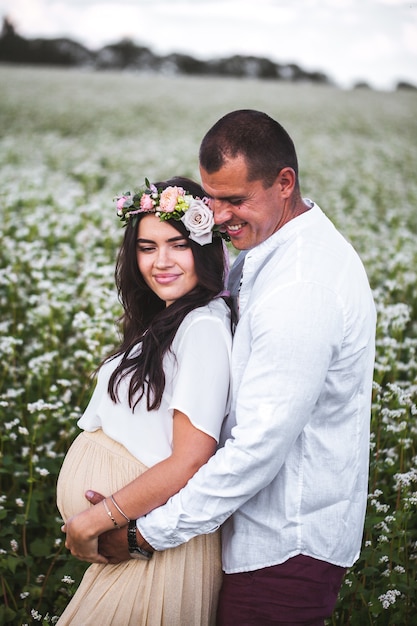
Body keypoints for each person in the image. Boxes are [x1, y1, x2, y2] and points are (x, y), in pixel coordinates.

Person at [85, 110, 377, 625]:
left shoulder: (300, 286)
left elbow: (257, 449)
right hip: (242, 533)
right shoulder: (267, 252)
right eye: (211, 197)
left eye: (236, 200)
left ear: (285, 183)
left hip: (283, 547)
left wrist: (140, 531)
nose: (218, 217)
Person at [56, 177, 233, 625]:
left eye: (178, 244)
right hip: (134, 549)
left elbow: (191, 458)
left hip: (155, 552)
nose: (162, 262)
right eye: (147, 247)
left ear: (206, 247)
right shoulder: (169, 321)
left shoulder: (203, 326)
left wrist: (95, 519)